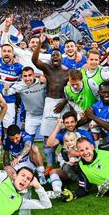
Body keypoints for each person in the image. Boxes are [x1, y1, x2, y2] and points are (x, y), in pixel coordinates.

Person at [32, 34, 69, 166]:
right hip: (49, 103)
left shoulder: (68, 73)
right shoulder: (47, 69)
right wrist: (39, 44)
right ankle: (50, 165)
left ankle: (66, 162)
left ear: (61, 58)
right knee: (48, 136)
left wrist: (63, 102)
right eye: (52, 55)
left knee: (66, 133)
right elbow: (34, 60)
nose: (54, 57)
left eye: (57, 55)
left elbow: (71, 92)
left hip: (63, 104)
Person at [3, 66, 46, 138]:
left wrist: (42, 76)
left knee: (48, 142)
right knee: (28, 140)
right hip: (31, 116)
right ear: (22, 77)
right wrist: (6, 89)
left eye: (30, 75)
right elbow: (6, 93)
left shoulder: (42, 81)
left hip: (45, 115)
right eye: (25, 76)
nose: (27, 78)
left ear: (34, 75)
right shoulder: (19, 85)